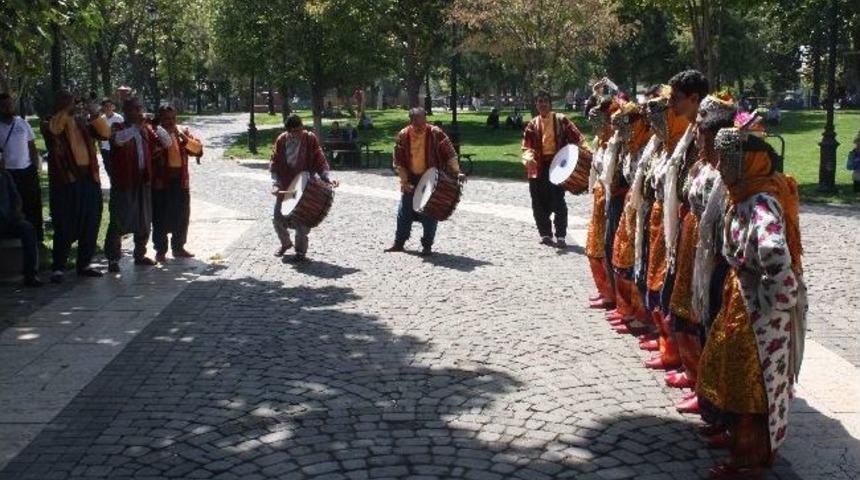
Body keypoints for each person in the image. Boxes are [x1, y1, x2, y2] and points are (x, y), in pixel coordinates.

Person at [697, 123, 807, 479]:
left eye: (729, 162)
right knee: (739, 372)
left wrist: (771, 300)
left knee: (753, 383)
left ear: (749, 165)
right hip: (743, 300)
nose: (721, 168)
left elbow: (775, 253)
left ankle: (750, 459)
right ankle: (739, 442)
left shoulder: (761, 201)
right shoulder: (745, 196)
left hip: (758, 311)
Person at [42, 92, 111, 282]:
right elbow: (55, 129)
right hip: (66, 180)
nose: (73, 103)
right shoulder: (50, 121)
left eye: (72, 100)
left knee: (91, 220)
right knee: (65, 223)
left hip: (89, 179)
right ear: (58, 103)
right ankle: (58, 267)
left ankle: (85, 264)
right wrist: (66, 110)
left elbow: (105, 133)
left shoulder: (82, 121)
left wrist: (94, 111)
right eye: (67, 100)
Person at [104, 97, 171, 273]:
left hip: (143, 181)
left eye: (140, 109)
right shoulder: (118, 127)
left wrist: (156, 126)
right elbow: (117, 140)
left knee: (144, 220)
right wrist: (136, 127)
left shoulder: (146, 130)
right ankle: (113, 259)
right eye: (135, 109)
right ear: (126, 111)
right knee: (119, 220)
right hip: (125, 182)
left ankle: (140, 255)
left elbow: (167, 143)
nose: (139, 112)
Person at [385, 107, 460, 256]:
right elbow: (398, 161)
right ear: (411, 121)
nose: (420, 128)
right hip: (411, 177)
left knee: (430, 213)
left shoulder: (435, 133)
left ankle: (427, 246)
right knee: (404, 212)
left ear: (426, 119)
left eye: (423, 123)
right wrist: (404, 181)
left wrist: (457, 172)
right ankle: (399, 243)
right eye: (417, 125)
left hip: (432, 178)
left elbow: (450, 154)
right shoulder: (403, 135)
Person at [270, 114, 338, 262]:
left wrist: (327, 177)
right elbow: (274, 164)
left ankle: (300, 253)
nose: (298, 133)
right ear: (288, 130)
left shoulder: (309, 138)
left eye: (299, 129)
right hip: (287, 186)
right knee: (277, 218)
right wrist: (275, 184)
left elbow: (320, 160)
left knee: (302, 222)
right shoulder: (282, 140)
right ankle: (286, 244)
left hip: (306, 187)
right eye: (294, 131)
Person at [522, 91, 585, 248]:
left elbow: (578, 139)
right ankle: (545, 234)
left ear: (550, 104)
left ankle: (561, 236)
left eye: (545, 101)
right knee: (538, 202)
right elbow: (526, 147)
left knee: (558, 201)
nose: (542, 104)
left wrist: (585, 154)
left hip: (558, 167)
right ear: (536, 105)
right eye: (539, 101)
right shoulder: (532, 124)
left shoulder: (561, 120)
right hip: (538, 167)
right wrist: (528, 158)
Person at [151, 105, 204, 263]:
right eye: (166, 118)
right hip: (161, 183)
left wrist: (184, 138)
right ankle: (160, 250)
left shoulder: (183, 132)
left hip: (181, 182)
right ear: (160, 118)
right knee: (160, 216)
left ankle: (178, 247)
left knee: (182, 215)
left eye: (173, 118)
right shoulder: (154, 133)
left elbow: (198, 150)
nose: (171, 122)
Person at [583, 91, 619, 309]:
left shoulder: (615, 144)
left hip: (609, 199)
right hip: (598, 198)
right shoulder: (600, 143)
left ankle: (612, 294)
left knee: (606, 246)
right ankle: (603, 289)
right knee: (594, 246)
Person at [0, 93, 43, 243]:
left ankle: (36, 238)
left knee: (32, 205)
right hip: (8, 174)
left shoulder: (22, 123)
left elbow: (32, 146)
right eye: (4, 106)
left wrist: (35, 166)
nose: (7, 108)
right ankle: (14, 238)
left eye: (9, 105)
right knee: (12, 206)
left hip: (27, 171)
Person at [0, 167, 41, 286]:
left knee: (27, 228)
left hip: (9, 220)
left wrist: (15, 213)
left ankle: (30, 274)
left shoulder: (5, 175)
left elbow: (16, 198)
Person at [98, 98, 124, 173]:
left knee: (118, 170)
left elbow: (123, 134)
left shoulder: (119, 118)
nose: (108, 108)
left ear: (113, 107)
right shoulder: (101, 119)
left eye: (110, 106)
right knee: (108, 169)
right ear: (103, 107)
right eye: (106, 106)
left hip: (116, 148)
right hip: (105, 149)